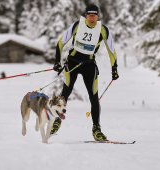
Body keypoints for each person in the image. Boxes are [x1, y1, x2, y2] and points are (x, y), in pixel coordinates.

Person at [51, 4, 119, 141]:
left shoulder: (103, 30)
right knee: (66, 92)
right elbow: (60, 43)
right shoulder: (78, 25)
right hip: (73, 63)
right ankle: (56, 122)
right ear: (86, 15)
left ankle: (96, 130)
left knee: (94, 97)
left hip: (89, 65)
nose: (92, 18)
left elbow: (111, 50)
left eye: (94, 15)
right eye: (89, 15)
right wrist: (57, 62)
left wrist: (114, 68)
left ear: (98, 16)